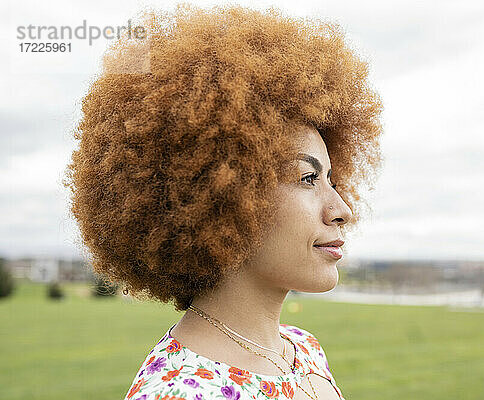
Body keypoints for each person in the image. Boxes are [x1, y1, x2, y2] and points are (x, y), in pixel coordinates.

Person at [64, 4, 383, 400]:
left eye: (331, 179)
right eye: (307, 178)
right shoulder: (178, 392)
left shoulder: (304, 352)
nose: (342, 210)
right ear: (222, 197)